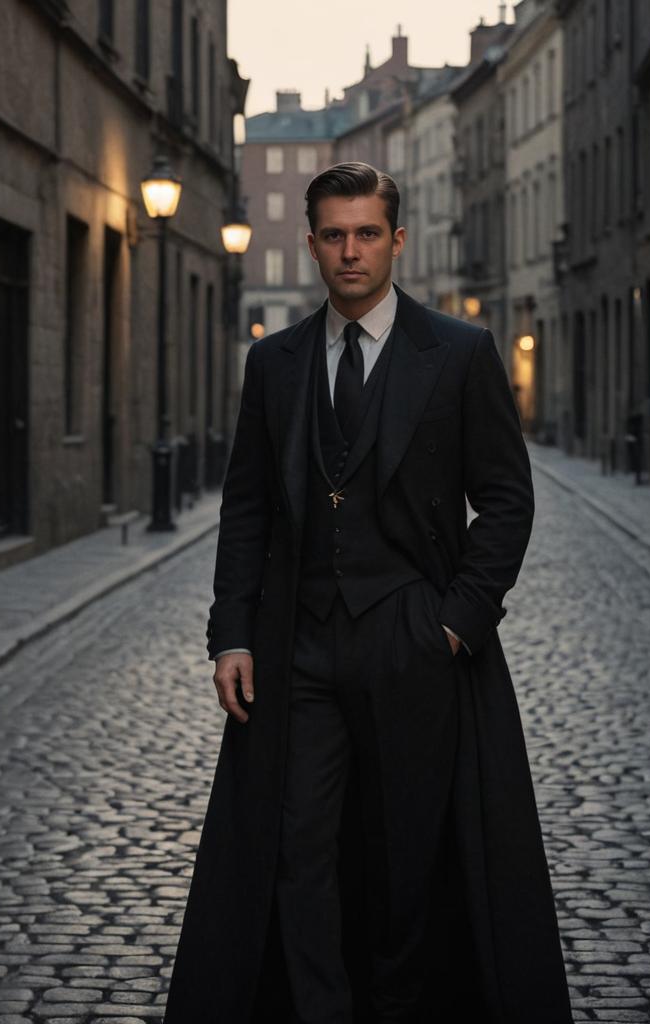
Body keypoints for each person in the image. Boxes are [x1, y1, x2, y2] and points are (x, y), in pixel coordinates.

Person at [164, 162, 573, 1024]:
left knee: (406, 858)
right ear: (310, 242)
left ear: (397, 240)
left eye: (367, 234)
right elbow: (247, 509)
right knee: (298, 849)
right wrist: (230, 634)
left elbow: (506, 499)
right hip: (299, 649)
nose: (350, 252)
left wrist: (458, 622)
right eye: (334, 235)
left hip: (414, 645)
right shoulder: (272, 364)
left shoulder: (458, 353)